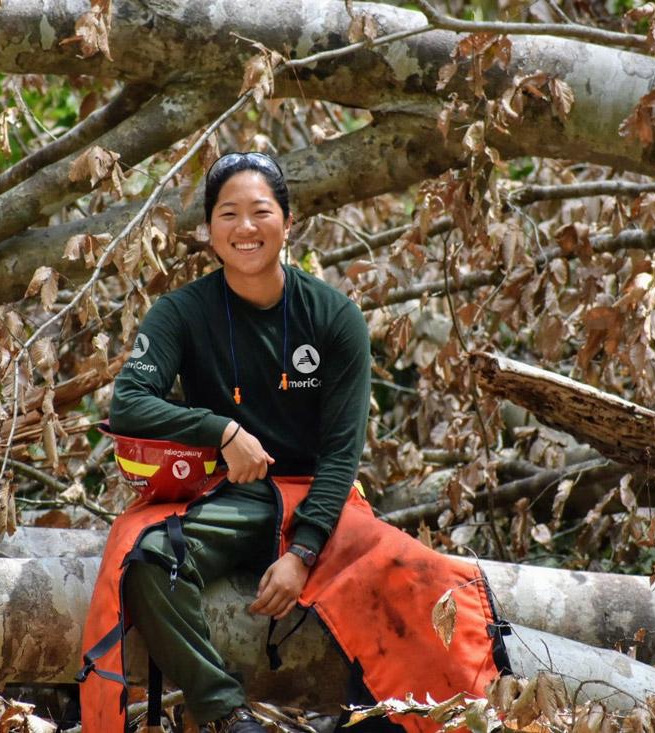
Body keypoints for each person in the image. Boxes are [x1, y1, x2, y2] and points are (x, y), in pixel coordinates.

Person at [78, 153, 508, 733]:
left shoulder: (334, 318)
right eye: (228, 214)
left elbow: (341, 457)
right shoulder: (181, 312)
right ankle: (226, 714)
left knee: (419, 582)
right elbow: (128, 402)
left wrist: (302, 555)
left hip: (320, 506)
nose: (245, 228)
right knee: (150, 559)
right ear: (209, 233)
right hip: (227, 496)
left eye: (261, 211)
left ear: (287, 221)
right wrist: (221, 431)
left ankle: (421, 718)